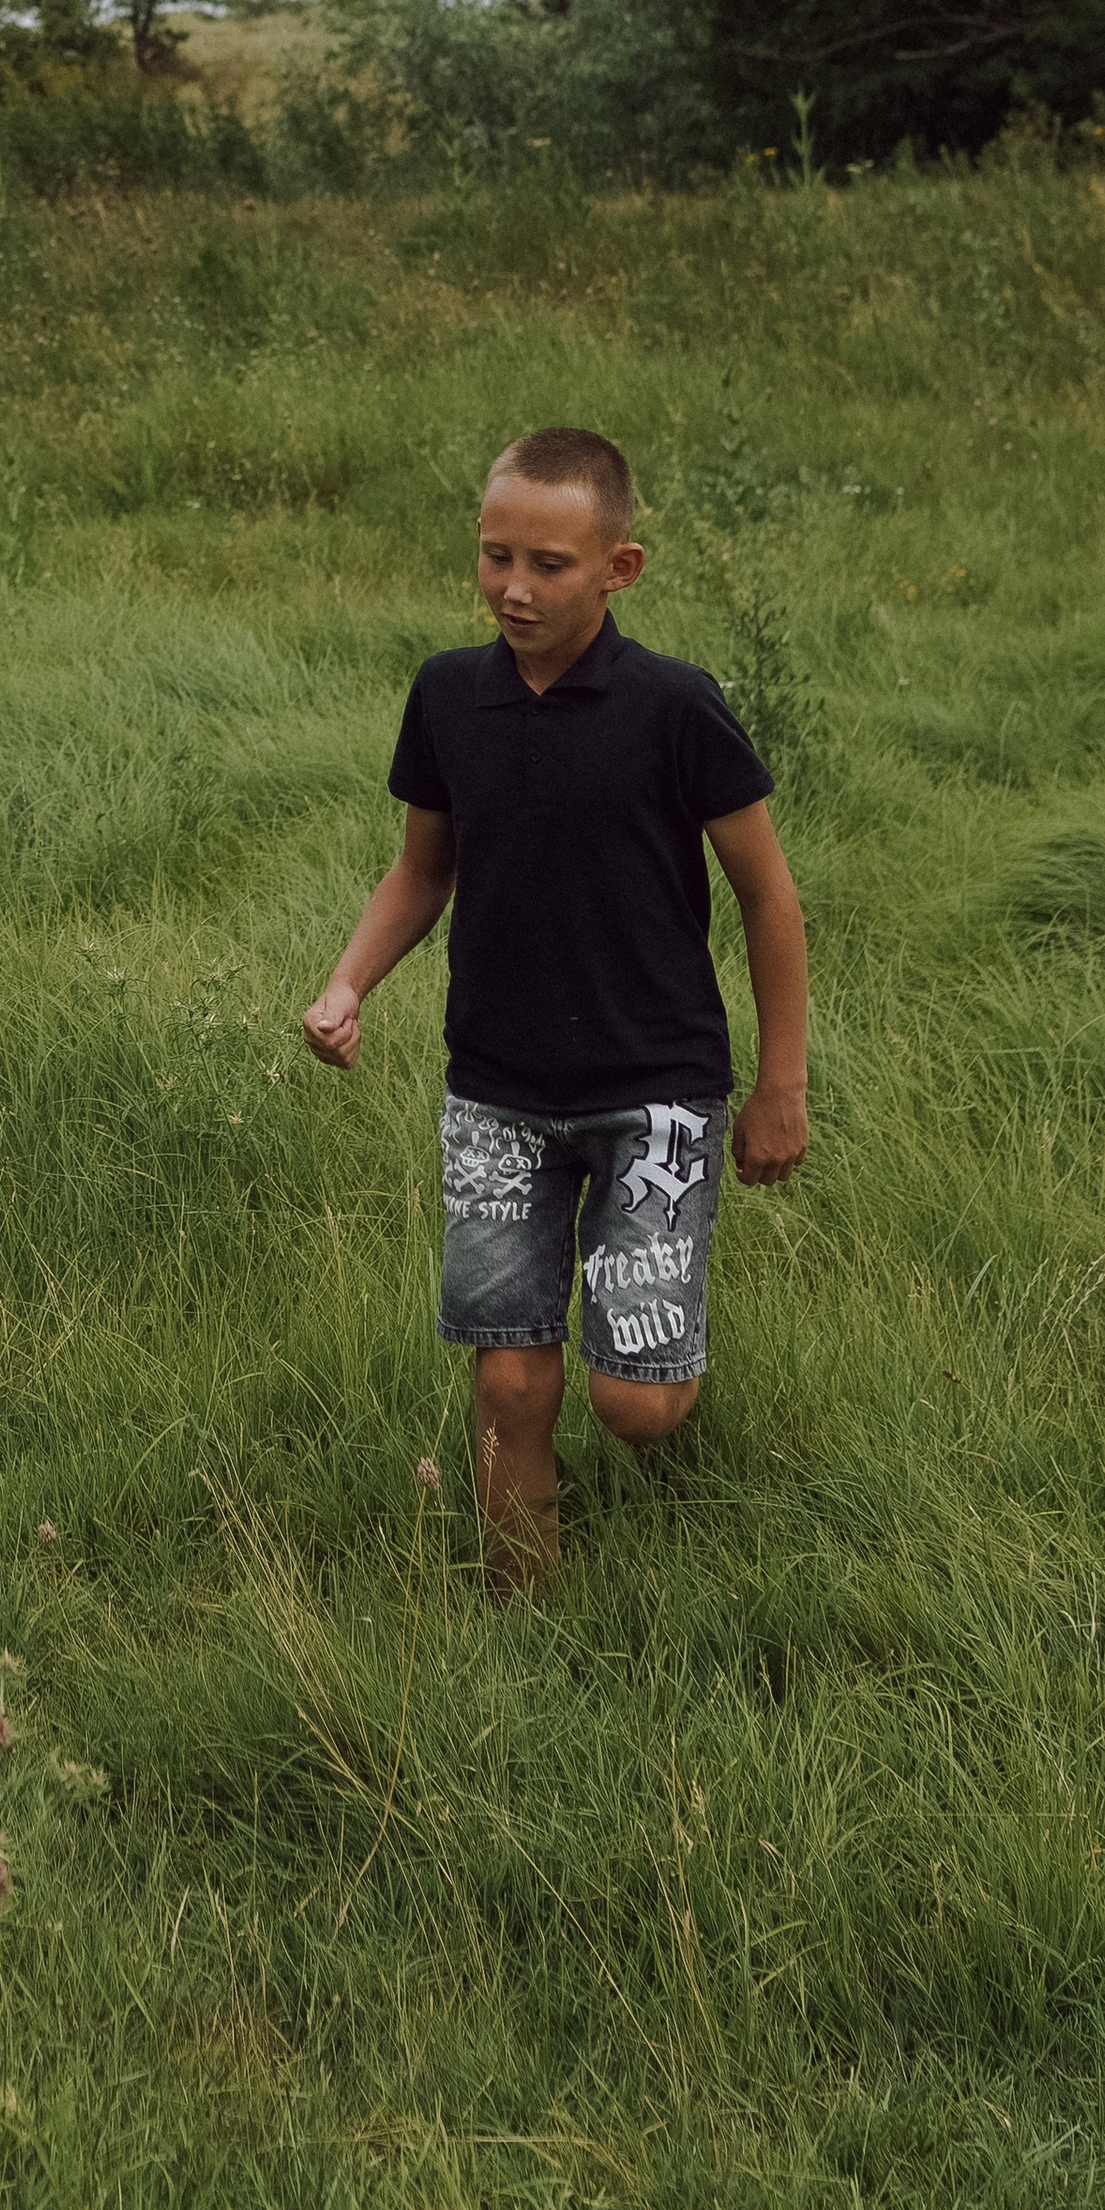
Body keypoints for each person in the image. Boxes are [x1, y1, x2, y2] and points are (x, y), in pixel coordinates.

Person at [301, 424, 809, 1590]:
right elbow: (423, 869)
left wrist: (778, 1084)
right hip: (496, 1090)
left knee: (634, 1401)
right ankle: (524, 1607)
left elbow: (767, 899)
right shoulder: (446, 696)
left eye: (547, 565)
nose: (513, 588)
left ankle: (662, 1333)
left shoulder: (676, 708)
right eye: (494, 558)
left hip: (656, 1091)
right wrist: (345, 983)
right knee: (508, 1381)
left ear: (618, 568)